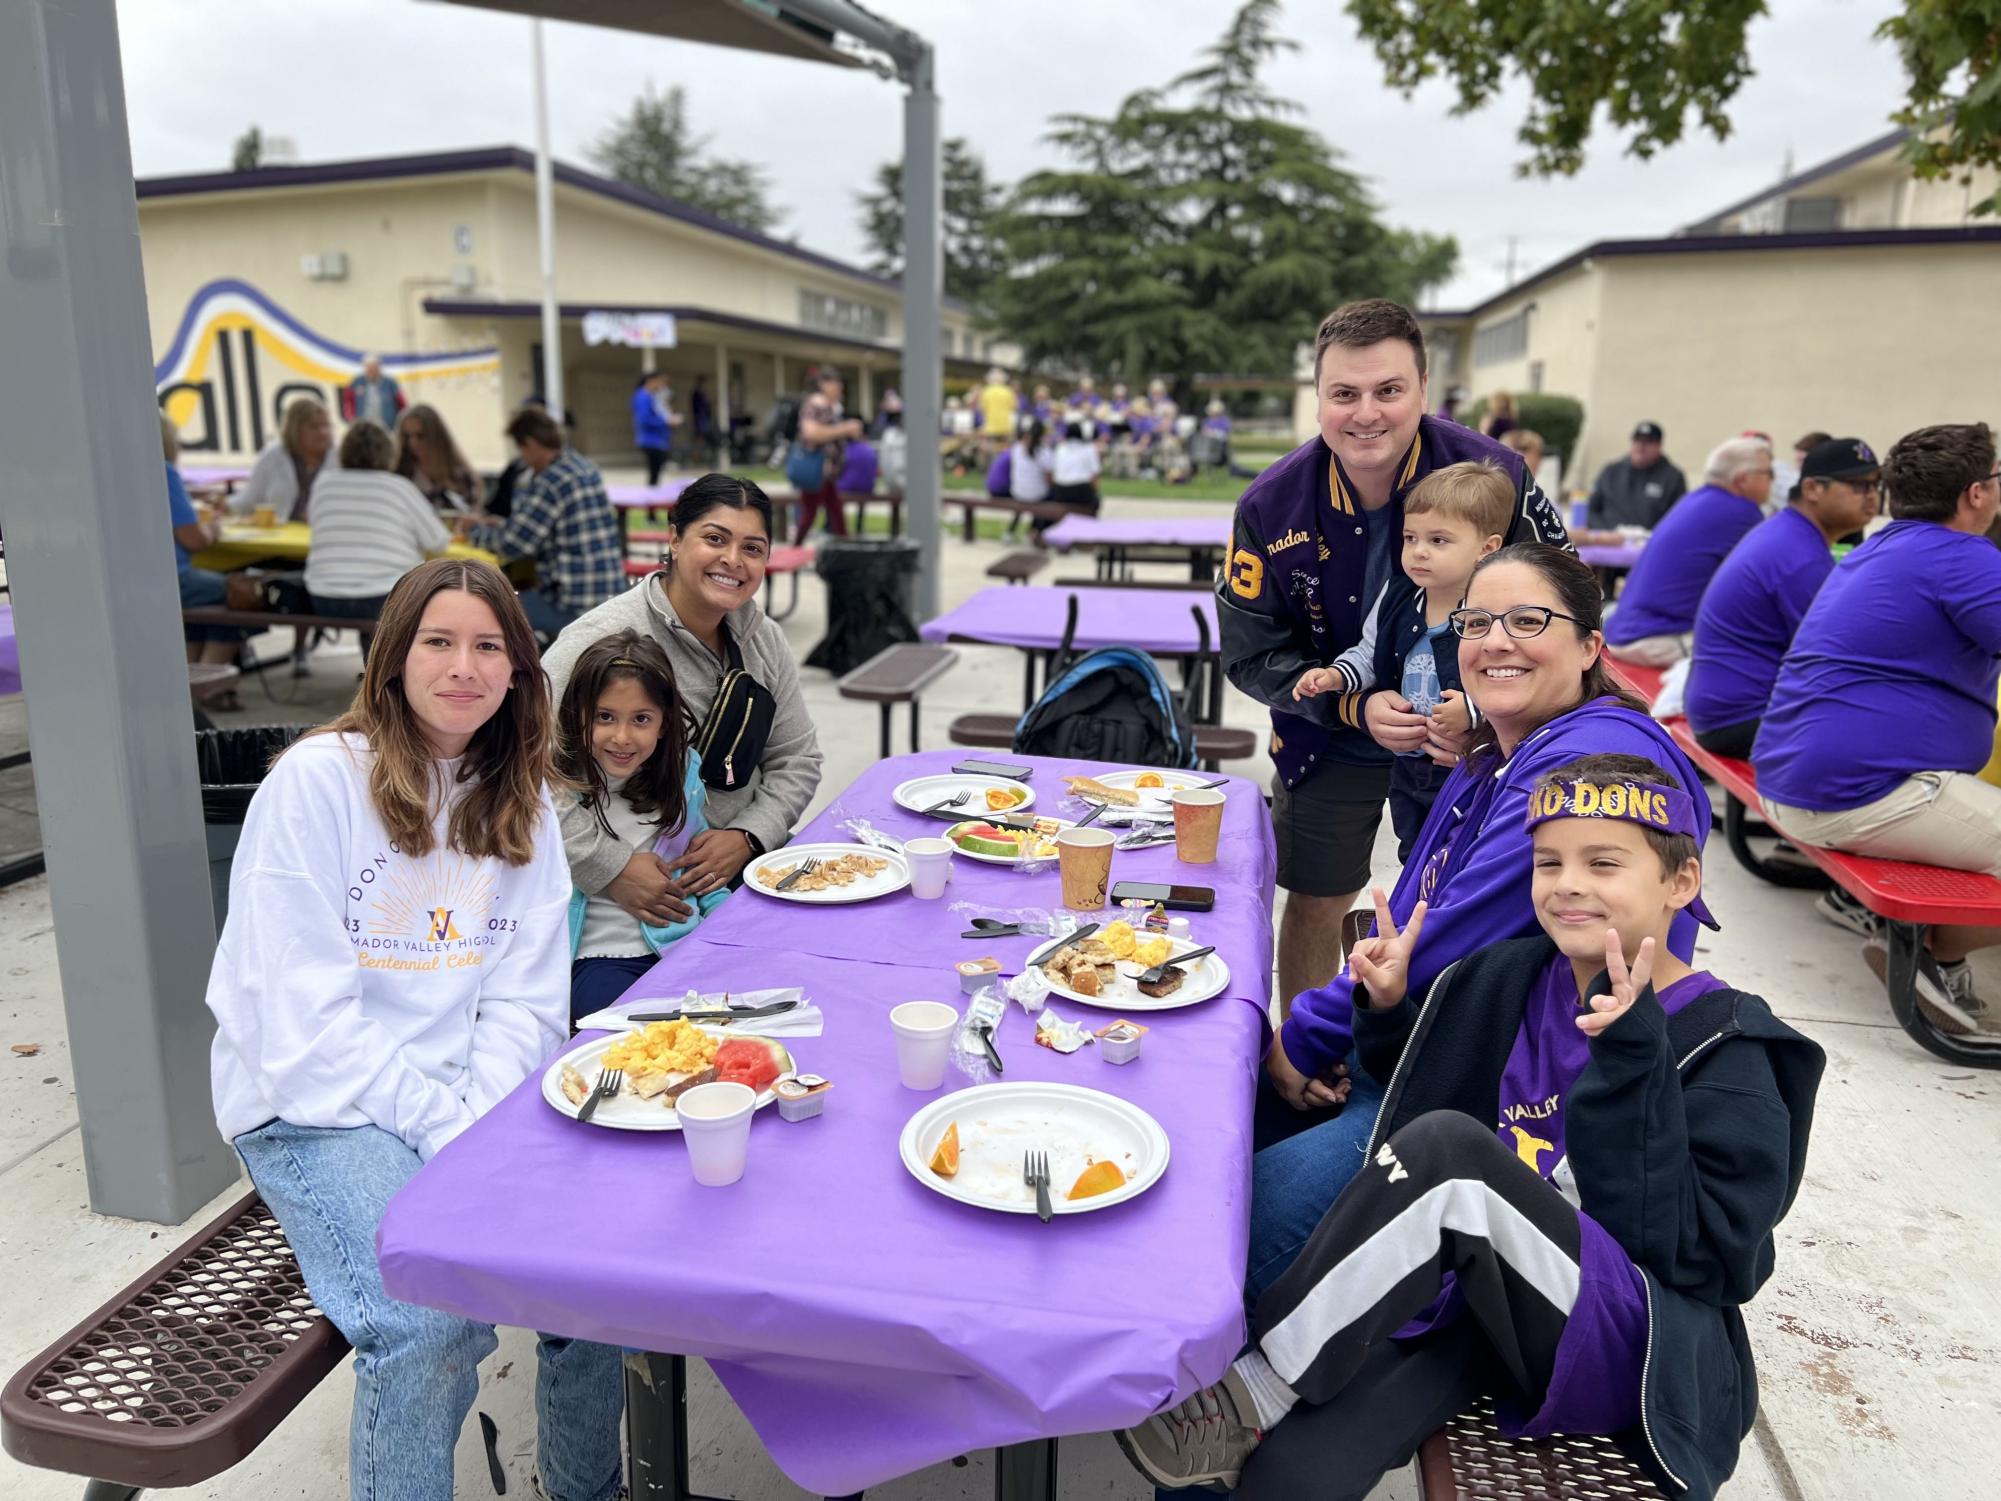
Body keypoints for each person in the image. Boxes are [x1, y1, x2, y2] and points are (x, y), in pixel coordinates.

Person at [1118, 754, 1822, 1501]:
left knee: (1449, 1156)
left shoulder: (1733, 1045)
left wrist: (1631, 1066)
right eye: (1547, 860)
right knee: (1280, 1471)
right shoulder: (1510, 975)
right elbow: (1425, 1093)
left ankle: (1252, 1389)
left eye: (1603, 862)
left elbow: (1710, 1259)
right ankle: (1244, 1400)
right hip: (1481, 1303)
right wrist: (1386, 1011)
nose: (1568, 882)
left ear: (1680, 883)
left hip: (1625, 1330)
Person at [206, 558, 624, 1501]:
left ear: (519, 669)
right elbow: (301, 1020)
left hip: (466, 1100)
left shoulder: (517, 793)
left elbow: (524, 999)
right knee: (427, 1323)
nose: (463, 666)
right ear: (394, 655)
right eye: (438, 641)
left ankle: (585, 1487)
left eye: (488, 646)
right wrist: (447, 1134)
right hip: (314, 1105)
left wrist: (470, 1119)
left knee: (607, 1265)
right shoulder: (316, 784)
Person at [1248, 545, 1711, 1303]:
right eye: (1474, 622)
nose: (1494, 641)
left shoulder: (1589, 764)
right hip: (1422, 1048)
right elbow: (1409, 914)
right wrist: (1352, 1024)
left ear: (1589, 645)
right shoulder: (1501, 749)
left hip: (1494, 1109)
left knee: (1225, 1237)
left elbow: (1442, 936)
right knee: (1209, 1133)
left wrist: (1305, 1037)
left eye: (1528, 620)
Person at [1216, 297, 1569, 1021]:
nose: (1365, 412)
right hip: (1325, 730)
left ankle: (1428, 1052)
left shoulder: (1495, 474)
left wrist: (1486, 708)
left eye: (1388, 390)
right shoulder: (1268, 504)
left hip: (1470, 739)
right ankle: (1300, 1062)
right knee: (1316, 898)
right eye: (1343, 393)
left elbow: (1563, 610)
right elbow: (1249, 653)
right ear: (1318, 398)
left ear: (1423, 389)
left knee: (1456, 899)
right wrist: (1350, 702)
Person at [1754, 422, 2001, 1036]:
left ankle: (1922, 942)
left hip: (1796, 780)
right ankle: (1933, 959)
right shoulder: (1963, 556)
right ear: (1975, 494)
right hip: (1857, 795)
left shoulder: (1882, 545)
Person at [544, 474, 822, 910]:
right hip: (626, 900)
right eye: (715, 539)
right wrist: (610, 867)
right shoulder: (600, 640)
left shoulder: (763, 639)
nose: (733, 560)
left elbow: (797, 758)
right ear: (674, 539)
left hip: (743, 875)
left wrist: (748, 834)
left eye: (752, 548)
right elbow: (522, 771)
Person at [1295, 461, 1509, 860]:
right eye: (1410, 538)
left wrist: (1474, 713)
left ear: (1487, 549)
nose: (1418, 552)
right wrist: (1336, 677)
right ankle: (1415, 913)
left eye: (1439, 541)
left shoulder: (1495, 613)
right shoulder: (1397, 595)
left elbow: (1513, 682)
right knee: (1413, 854)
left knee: (1463, 857)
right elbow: (1368, 653)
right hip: (1408, 766)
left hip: (1470, 770)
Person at [558, 631, 728, 1022]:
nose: (622, 737)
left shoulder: (682, 777)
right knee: (630, 1033)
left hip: (680, 945)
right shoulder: (561, 790)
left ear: (665, 724)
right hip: (598, 958)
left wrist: (727, 924)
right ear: (578, 715)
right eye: (604, 717)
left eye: (641, 719)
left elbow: (697, 871)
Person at [1684, 437, 1882, 758]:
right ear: (1813, 489)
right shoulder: (1799, 555)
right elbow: (1833, 658)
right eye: (1858, 485)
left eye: (1876, 485)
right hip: (1740, 718)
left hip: (1722, 709)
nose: (1872, 496)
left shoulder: (1789, 532)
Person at [1603, 436, 1773, 666]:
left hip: (1624, 628)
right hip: (1657, 638)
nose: (1773, 481)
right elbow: (1758, 586)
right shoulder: (1743, 512)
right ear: (1743, 479)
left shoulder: (1694, 499)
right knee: (1766, 650)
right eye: (1769, 473)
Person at [463, 409, 624, 638]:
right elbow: (542, 527)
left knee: (493, 606)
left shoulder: (551, 480)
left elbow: (514, 544)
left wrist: (474, 531)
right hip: (609, 593)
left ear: (530, 444)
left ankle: (527, 667)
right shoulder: (583, 467)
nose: (522, 459)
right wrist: (501, 524)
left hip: (574, 604)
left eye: (521, 450)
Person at [306, 420, 453, 658]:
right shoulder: (399, 487)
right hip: (384, 597)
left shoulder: (324, 484)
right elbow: (437, 541)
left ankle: (374, 673)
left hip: (324, 597)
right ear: (388, 453)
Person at [163, 414, 249, 698]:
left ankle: (192, 671)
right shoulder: (163, 471)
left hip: (143, 579)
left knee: (212, 597)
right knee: (240, 595)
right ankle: (207, 680)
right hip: (173, 577)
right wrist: (212, 527)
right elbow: (194, 539)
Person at [234, 394, 340, 522]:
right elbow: (248, 500)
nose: (323, 432)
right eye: (314, 427)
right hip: (278, 538)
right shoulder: (272, 455)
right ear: (295, 429)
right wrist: (224, 506)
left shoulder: (341, 458)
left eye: (326, 426)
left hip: (325, 535)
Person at [789, 369, 864, 544]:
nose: (839, 388)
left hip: (827, 471)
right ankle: (796, 547)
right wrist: (845, 428)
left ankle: (844, 544)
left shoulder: (831, 407)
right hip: (817, 468)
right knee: (812, 512)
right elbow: (811, 433)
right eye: (835, 384)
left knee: (834, 509)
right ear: (823, 384)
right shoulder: (815, 405)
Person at [1586, 421, 1686, 530]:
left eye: (1648, 442)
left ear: (1659, 446)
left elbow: (1679, 518)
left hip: (1649, 542)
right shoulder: (1611, 472)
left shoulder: (1672, 478)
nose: (1641, 447)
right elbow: (1591, 510)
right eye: (1637, 441)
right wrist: (1606, 532)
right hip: (1608, 540)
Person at [393, 404, 481, 512]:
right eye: (407, 436)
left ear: (435, 436)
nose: (413, 443)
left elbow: (473, 513)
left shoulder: (460, 476)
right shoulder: (399, 474)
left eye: (420, 436)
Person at [1043, 420, 1102, 537]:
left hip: (1060, 490)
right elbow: (1095, 475)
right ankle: (1089, 532)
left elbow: (1054, 471)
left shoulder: (1060, 448)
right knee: (1095, 502)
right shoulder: (1089, 449)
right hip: (1081, 489)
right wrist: (1094, 491)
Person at [339, 353, 405, 431]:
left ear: (379, 367)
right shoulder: (357, 382)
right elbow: (348, 402)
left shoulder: (390, 383)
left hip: (387, 428)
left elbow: (402, 404)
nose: (371, 370)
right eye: (368, 367)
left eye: (374, 367)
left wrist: (401, 423)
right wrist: (351, 419)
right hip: (363, 428)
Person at [631, 372, 672, 486]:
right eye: (659, 381)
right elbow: (644, 419)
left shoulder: (650, 396)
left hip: (657, 440)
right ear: (651, 381)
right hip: (651, 440)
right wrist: (665, 422)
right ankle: (651, 499)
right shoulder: (643, 396)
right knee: (654, 474)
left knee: (655, 473)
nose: (660, 385)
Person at [977, 367, 1019, 462]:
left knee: (992, 449)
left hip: (990, 426)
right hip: (1006, 426)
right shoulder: (1008, 391)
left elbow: (981, 408)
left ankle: (993, 468)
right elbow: (1015, 407)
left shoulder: (986, 391)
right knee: (1006, 448)